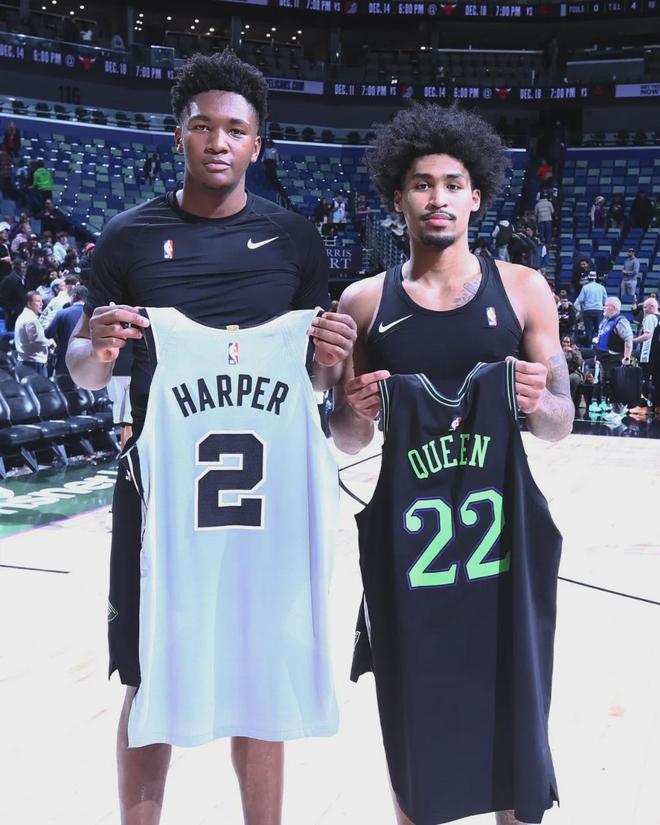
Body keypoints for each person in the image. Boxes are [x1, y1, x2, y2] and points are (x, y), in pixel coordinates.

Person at [65, 48, 356, 825]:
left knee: (261, 672)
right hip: (160, 489)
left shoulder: (295, 240)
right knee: (146, 671)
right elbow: (85, 371)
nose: (217, 141)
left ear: (258, 144)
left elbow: (313, 381)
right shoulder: (127, 238)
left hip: (266, 498)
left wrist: (331, 361)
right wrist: (96, 347)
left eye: (234, 129)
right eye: (202, 126)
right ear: (178, 136)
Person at [330, 102, 572, 825]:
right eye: (421, 184)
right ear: (397, 197)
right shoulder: (364, 303)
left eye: (452, 184)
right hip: (414, 568)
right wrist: (355, 407)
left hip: (504, 564)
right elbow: (347, 439)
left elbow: (560, 422)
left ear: (476, 196)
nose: (437, 198)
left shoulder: (523, 289)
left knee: (515, 759)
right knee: (418, 760)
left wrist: (538, 400)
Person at [592, 296, 633, 421]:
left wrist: (627, 357)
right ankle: (615, 408)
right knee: (606, 384)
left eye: (606, 305)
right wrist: (597, 354)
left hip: (614, 358)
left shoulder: (620, 321)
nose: (604, 307)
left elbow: (628, 339)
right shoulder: (605, 321)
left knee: (615, 384)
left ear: (613, 307)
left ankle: (618, 410)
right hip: (603, 358)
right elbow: (601, 338)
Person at [45, 284, 88, 375]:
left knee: (62, 383)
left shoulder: (62, 313)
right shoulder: (92, 314)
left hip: (64, 360)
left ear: (73, 297)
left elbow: (48, 334)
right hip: (87, 360)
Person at [14, 290, 55, 376]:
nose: (41, 304)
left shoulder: (23, 316)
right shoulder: (31, 319)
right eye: (38, 301)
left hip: (26, 362)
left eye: (41, 301)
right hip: (34, 363)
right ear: (29, 304)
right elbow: (36, 340)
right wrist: (50, 342)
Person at [630, 297, 659, 414]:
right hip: (658, 355)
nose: (644, 310)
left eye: (645, 307)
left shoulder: (650, 317)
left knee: (643, 379)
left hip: (648, 354)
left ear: (652, 307)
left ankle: (642, 406)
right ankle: (657, 406)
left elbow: (647, 335)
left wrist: (632, 341)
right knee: (657, 380)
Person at [574, 271, 607, 345]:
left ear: (588, 278)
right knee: (598, 329)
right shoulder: (601, 288)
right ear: (595, 278)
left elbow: (580, 300)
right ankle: (597, 345)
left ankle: (590, 345)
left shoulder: (585, 288)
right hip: (599, 311)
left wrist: (580, 310)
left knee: (588, 330)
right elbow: (605, 301)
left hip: (588, 311)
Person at [0, 257, 27, 329]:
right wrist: (12, 310)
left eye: (25, 267)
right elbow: (2, 298)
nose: (25, 270)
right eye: (22, 268)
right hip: (12, 315)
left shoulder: (24, 279)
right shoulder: (8, 280)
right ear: (15, 268)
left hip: (22, 311)